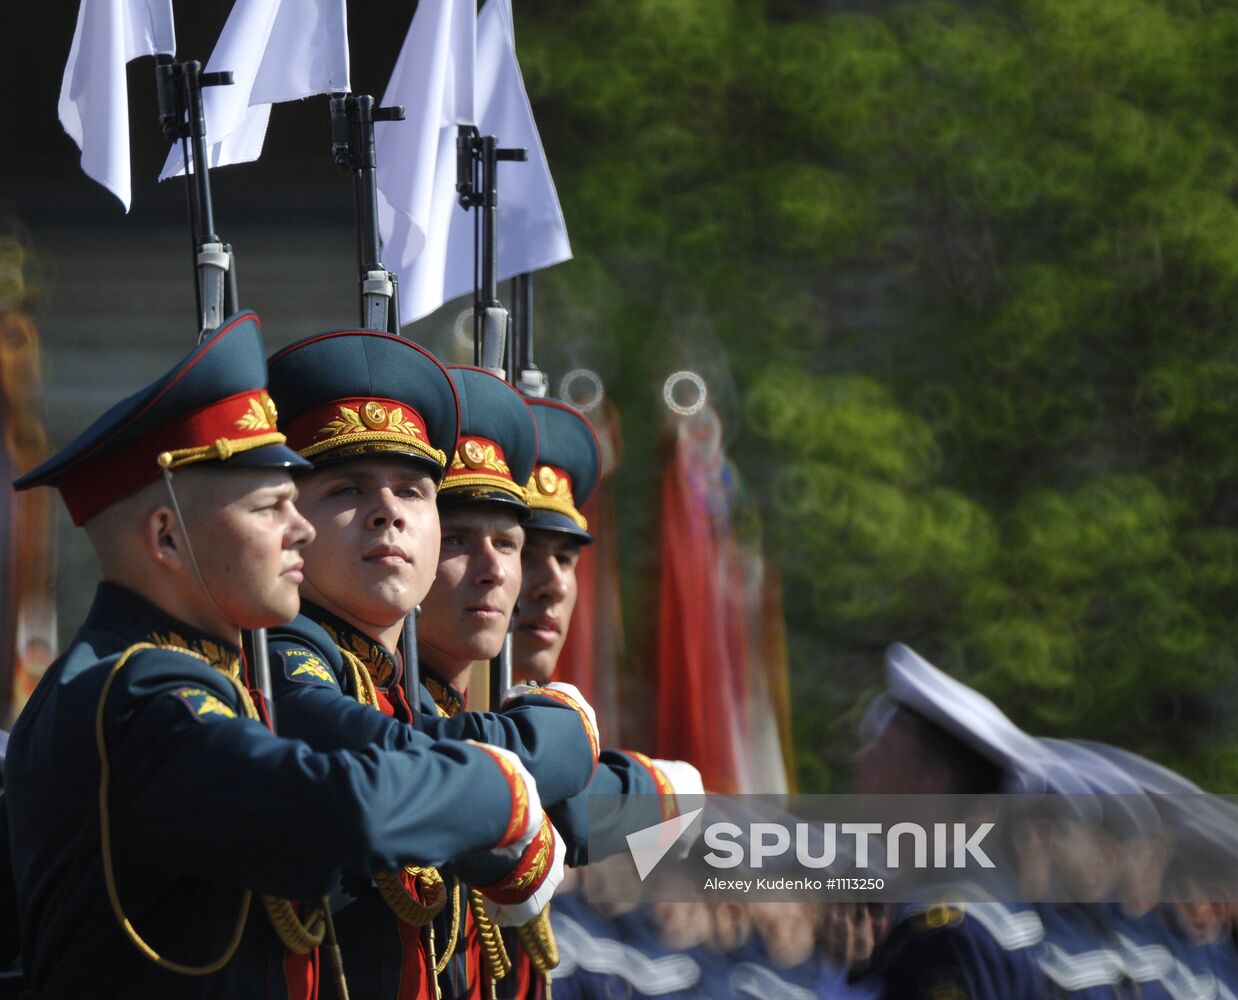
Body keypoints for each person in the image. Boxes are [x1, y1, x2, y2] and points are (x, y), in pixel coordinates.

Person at [4, 312, 548, 999]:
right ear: (167, 538)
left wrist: (695, 826)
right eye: (270, 507)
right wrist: (500, 789)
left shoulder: (192, 678)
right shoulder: (140, 695)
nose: (299, 530)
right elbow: (333, 809)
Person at [261, 330, 598, 999]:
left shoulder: (400, 690)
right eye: (350, 489)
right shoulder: (279, 661)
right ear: (290, 518)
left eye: (413, 492)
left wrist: (673, 796)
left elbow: (588, 818)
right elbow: (404, 760)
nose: (387, 513)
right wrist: (561, 734)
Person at [859, 643, 1048, 1000]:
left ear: (931, 781)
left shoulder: (945, 932)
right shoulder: (986, 895)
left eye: (881, 752)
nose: (860, 763)